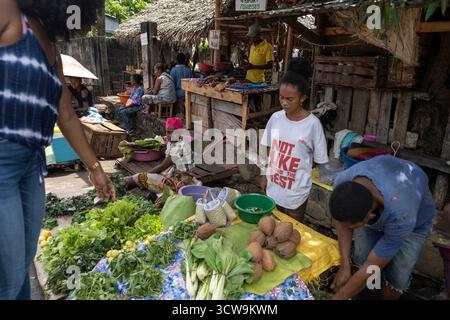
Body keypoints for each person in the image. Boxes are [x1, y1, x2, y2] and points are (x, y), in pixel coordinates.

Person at [0, 0, 116, 300]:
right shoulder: (10, 12)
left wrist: (96, 169)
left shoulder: (53, 52)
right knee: (7, 277)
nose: (85, 24)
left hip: (32, 165)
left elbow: (66, 116)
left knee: (22, 265)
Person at [328, 155, 436, 300]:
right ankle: (370, 291)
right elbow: (343, 225)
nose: (347, 228)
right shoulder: (343, 185)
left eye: (353, 227)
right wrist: (344, 266)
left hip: (414, 224)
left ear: (369, 216)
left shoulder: (402, 215)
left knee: (398, 277)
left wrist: (339, 298)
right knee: (363, 258)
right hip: (385, 190)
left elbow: (373, 265)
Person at [260, 59, 328, 222]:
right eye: (281, 97)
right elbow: (269, 149)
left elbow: (319, 160)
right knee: (274, 224)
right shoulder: (276, 118)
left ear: (302, 98)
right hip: (274, 186)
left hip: (296, 191)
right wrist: (265, 174)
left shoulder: (313, 124)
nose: (284, 102)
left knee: (293, 228)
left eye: (290, 99)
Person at [123, 117, 196, 193]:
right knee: (142, 179)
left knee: (140, 177)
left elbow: (162, 167)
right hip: (176, 177)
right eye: (168, 132)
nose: (170, 135)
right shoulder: (174, 142)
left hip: (180, 184)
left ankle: (122, 185)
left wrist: (142, 176)